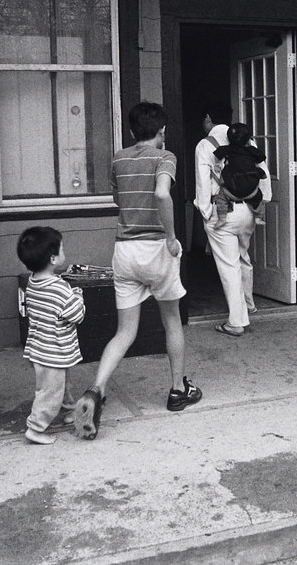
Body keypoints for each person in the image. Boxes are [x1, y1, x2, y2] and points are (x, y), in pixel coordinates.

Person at [73, 102, 202, 440]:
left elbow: (119, 199)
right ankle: (177, 390)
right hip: (157, 247)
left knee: (124, 331)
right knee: (171, 320)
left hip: (125, 250)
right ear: (162, 132)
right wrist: (173, 237)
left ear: (132, 132)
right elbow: (162, 193)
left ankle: (96, 390)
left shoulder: (118, 157)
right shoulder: (165, 156)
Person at [194, 103, 272, 336]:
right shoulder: (249, 141)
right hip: (248, 208)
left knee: (229, 266)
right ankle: (248, 304)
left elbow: (202, 181)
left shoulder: (206, 144)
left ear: (208, 118)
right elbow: (263, 174)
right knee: (242, 256)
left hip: (223, 210)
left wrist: (206, 211)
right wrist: (262, 203)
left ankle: (236, 322)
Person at [16, 227, 86, 445]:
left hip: (39, 348)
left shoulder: (33, 282)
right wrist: (78, 296)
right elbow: (77, 315)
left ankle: (69, 410)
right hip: (54, 351)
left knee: (59, 384)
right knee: (50, 392)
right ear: (53, 258)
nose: (65, 251)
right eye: (62, 248)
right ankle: (35, 428)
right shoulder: (60, 288)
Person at [211, 122, 267, 227]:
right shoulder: (251, 150)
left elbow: (217, 154)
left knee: (221, 198)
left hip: (232, 187)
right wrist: (250, 147)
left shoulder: (228, 149)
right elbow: (261, 157)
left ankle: (222, 218)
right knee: (259, 197)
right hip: (251, 189)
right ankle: (258, 217)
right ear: (248, 139)